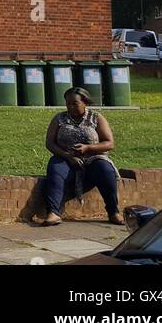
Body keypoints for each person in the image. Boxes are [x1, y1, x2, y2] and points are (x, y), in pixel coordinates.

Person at [41, 87, 122, 226]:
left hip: (93, 159)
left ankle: (113, 211)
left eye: (75, 103)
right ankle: (54, 212)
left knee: (105, 170)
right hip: (66, 158)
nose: (71, 107)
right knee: (55, 170)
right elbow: (49, 142)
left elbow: (109, 143)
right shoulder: (59, 118)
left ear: (85, 102)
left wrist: (88, 148)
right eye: (68, 104)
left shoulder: (96, 118)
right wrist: (67, 155)